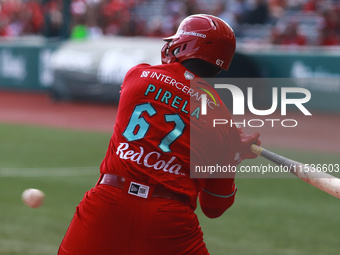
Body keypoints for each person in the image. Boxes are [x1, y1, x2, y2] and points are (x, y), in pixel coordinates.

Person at [58, 14, 260, 255]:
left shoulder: (138, 75)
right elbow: (214, 206)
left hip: (108, 203)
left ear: (185, 45)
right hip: (169, 220)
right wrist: (233, 152)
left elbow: (169, 102)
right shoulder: (221, 118)